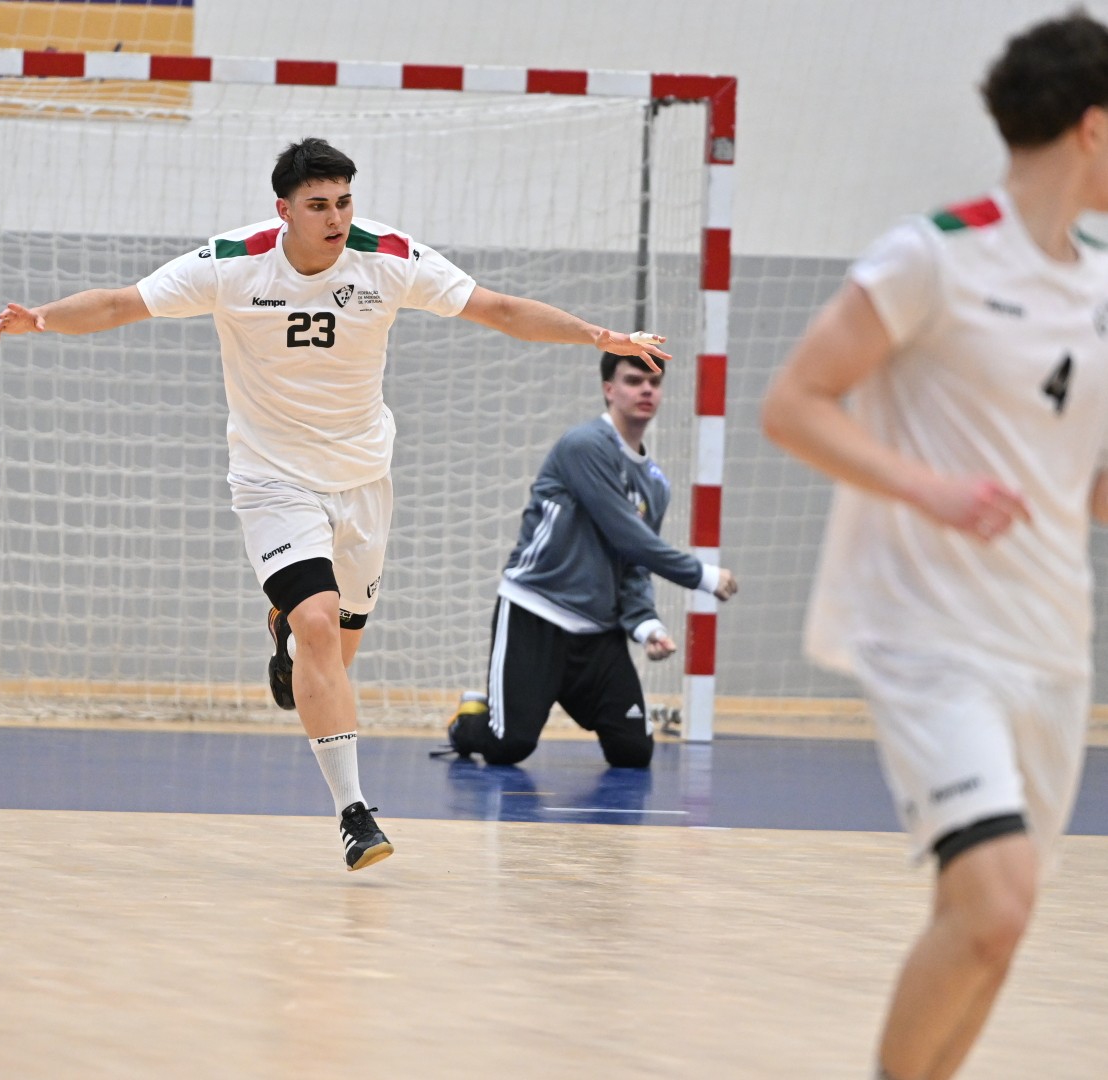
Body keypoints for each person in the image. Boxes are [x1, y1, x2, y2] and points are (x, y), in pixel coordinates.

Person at [0, 137, 669, 871]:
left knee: (336, 655)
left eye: (345, 202)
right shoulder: (234, 261)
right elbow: (124, 302)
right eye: (318, 205)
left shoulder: (388, 257)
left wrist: (598, 336)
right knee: (318, 625)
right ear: (283, 210)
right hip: (273, 481)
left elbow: (499, 309)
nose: (337, 218)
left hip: (363, 483)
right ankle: (354, 812)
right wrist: (43, 318)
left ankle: (285, 636)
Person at [761, 14, 1108, 1079]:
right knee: (993, 901)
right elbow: (794, 402)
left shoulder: (1101, 281)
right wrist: (931, 488)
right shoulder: (934, 254)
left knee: (999, 924)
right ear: (1094, 128)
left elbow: (1085, 484)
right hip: (931, 632)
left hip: (1050, 638)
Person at [434, 351, 736, 768]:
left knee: (633, 752)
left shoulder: (655, 485)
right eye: (633, 380)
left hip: (597, 630)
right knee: (509, 747)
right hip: (536, 613)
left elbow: (633, 564)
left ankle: (545, 693)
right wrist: (701, 575)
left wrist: (645, 624)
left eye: (654, 382)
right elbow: (626, 534)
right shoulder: (585, 445)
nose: (646, 390)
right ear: (609, 389)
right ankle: (470, 716)